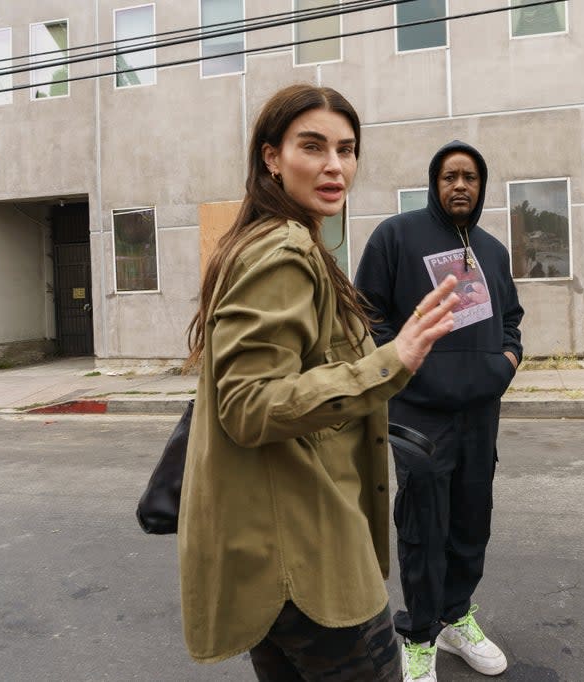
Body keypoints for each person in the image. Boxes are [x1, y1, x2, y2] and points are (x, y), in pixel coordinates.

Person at [177, 84, 460, 681]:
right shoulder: (283, 250)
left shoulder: (272, 240)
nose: (336, 166)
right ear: (270, 157)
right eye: (313, 146)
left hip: (278, 558)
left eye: (347, 149)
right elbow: (249, 405)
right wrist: (393, 359)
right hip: (307, 564)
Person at [354, 141, 524, 681]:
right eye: (450, 176)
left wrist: (507, 361)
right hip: (418, 415)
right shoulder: (396, 237)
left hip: (479, 413)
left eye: (470, 177)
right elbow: (366, 314)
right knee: (424, 527)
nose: (460, 186)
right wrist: (406, 368)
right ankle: (420, 635)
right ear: (435, 183)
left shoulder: (493, 251)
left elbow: (513, 318)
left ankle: (456, 617)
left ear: (481, 186)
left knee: (472, 522)